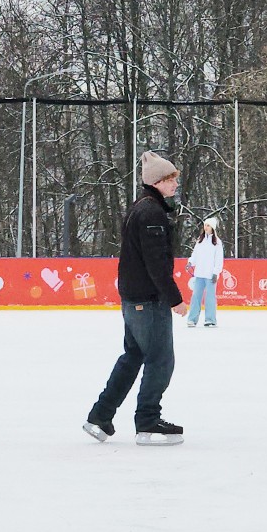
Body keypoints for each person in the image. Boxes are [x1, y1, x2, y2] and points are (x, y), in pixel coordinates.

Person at [83, 151, 189, 446]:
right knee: (160, 359)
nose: (174, 185)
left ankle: (100, 416)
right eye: (170, 180)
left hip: (134, 297)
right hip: (147, 299)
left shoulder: (142, 207)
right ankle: (147, 421)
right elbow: (155, 261)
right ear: (156, 181)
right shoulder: (151, 213)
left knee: (133, 357)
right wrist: (174, 298)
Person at [185, 217, 224, 327]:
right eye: (205, 225)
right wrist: (190, 262)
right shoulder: (200, 241)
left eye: (208, 225)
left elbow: (219, 259)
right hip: (199, 274)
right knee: (196, 297)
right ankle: (192, 319)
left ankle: (210, 319)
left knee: (210, 297)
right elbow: (195, 255)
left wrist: (216, 272)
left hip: (210, 274)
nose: (205, 227)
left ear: (212, 228)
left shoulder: (217, 243)